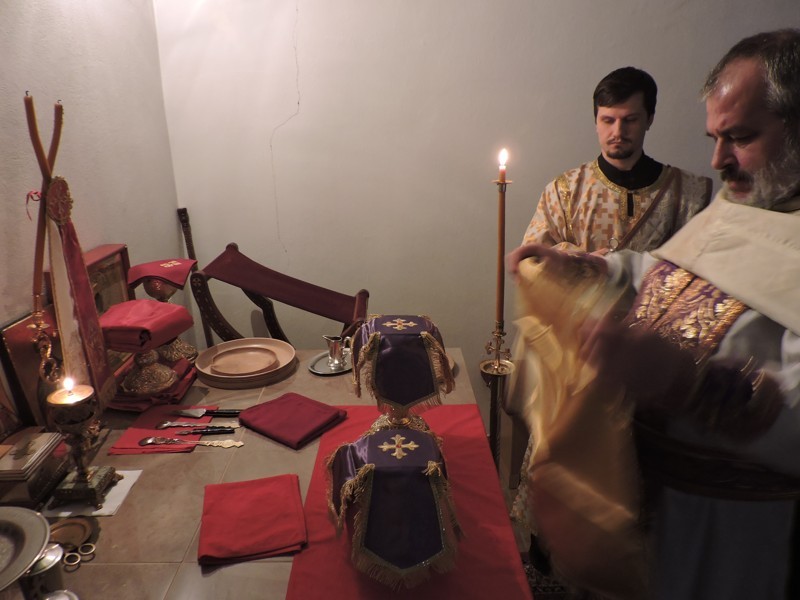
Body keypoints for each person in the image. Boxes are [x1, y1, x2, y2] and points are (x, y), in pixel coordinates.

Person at [508, 29, 800, 600]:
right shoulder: (746, 203)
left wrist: (683, 379)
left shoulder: (706, 191)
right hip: (640, 499)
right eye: (714, 138)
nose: (718, 160)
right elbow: (670, 271)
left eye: (740, 137)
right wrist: (592, 268)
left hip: (724, 534)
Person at [521, 66, 711, 254]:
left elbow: (702, 263)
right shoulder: (563, 193)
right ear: (596, 122)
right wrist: (577, 261)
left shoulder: (688, 193)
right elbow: (531, 261)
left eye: (630, 120)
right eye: (608, 120)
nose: (618, 132)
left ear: (649, 119)